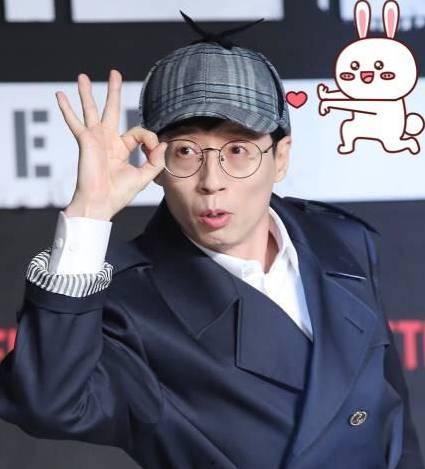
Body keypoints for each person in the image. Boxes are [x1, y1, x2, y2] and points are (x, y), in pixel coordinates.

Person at [0, 14, 423, 469]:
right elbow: (47, 402)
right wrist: (89, 212)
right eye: (185, 152)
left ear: (280, 157)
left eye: (238, 150)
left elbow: (391, 420)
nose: (211, 181)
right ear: (155, 164)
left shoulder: (339, 240)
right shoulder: (130, 307)